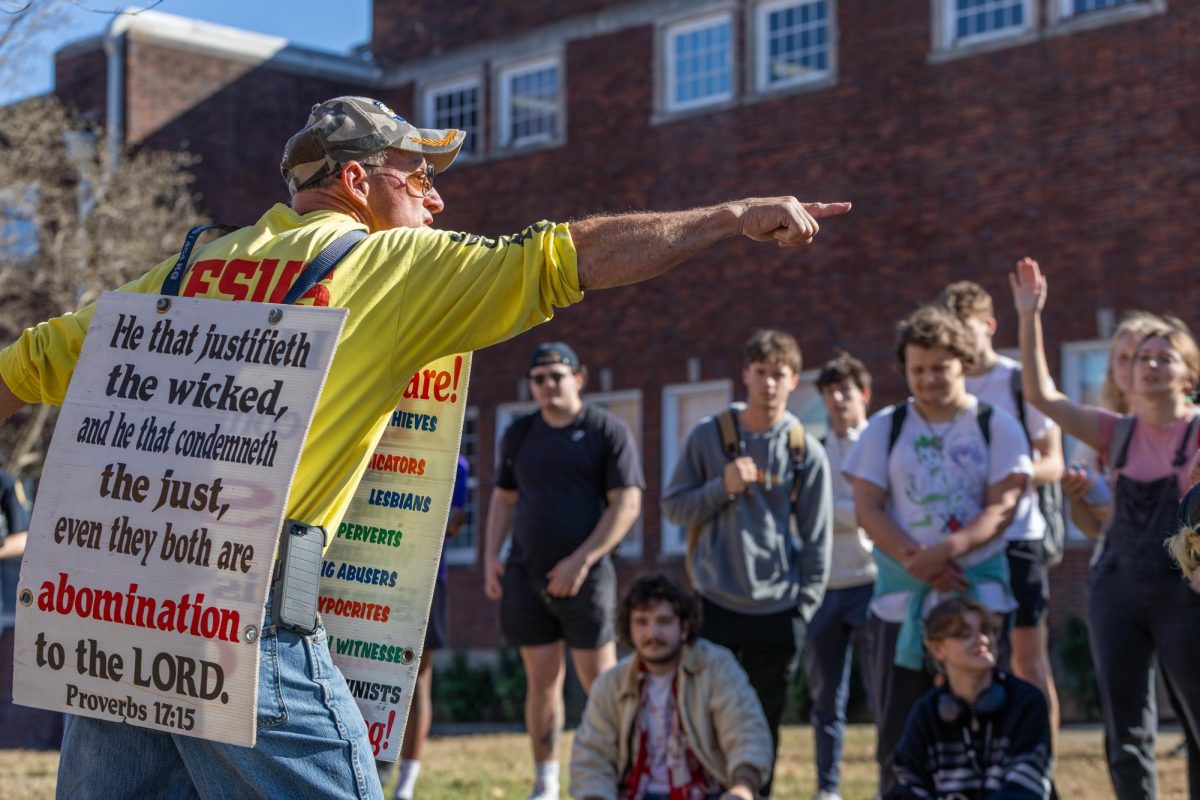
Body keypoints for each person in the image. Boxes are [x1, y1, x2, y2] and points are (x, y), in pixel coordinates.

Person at [0, 94, 851, 800]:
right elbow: (571, 256)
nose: (436, 201)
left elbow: (22, 370)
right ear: (357, 180)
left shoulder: (182, 272)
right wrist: (729, 216)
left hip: (114, 620)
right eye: (419, 178)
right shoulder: (384, 265)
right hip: (239, 614)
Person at [1011, 257, 1200, 800]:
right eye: (1142, 358)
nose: (1150, 365)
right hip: (1115, 590)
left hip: (1186, 595)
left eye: (1164, 357)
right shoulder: (1113, 433)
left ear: (1187, 374)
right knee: (1126, 733)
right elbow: (1043, 396)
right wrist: (1030, 316)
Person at [841, 304, 1030, 795]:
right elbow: (869, 508)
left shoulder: (996, 425)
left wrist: (945, 552)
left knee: (988, 725)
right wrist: (919, 562)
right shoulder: (886, 426)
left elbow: (1001, 507)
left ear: (963, 363)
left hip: (978, 599)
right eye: (917, 368)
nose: (927, 379)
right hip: (902, 602)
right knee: (900, 732)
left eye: (940, 368)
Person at [662, 329, 833, 796]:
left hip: (778, 609)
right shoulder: (709, 437)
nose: (769, 384)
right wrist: (723, 486)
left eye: (779, 375)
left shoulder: (805, 450)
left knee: (764, 720)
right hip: (715, 599)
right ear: (745, 375)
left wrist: (806, 606)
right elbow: (674, 508)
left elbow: (817, 538)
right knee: (704, 711)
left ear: (794, 380)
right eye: (761, 373)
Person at [484, 341, 645, 800]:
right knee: (542, 682)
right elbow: (504, 499)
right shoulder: (519, 434)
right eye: (539, 379)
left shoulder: (604, 430)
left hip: (587, 578)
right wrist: (491, 557)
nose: (548, 385)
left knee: (603, 685)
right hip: (526, 575)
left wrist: (582, 560)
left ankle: (615, 775)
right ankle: (546, 782)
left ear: (579, 378)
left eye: (557, 375)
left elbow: (627, 504)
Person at [940, 280, 1064, 753]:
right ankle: (977, 760)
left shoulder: (1017, 380)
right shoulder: (948, 389)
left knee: (1028, 663)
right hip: (967, 544)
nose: (958, 343)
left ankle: (1040, 766)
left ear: (989, 326)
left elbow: (1053, 460)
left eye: (965, 331)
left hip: (1019, 539)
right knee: (966, 659)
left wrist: (1009, 474)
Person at [569, 573, 773, 800]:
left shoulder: (716, 667)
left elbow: (745, 730)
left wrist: (742, 788)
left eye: (663, 621)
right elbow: (592, 756)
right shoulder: (611, 684)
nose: (652, 633)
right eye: (641, 622)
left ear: (684, 626)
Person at [887, 596, 1053, 800]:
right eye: (964, 634)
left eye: (986, 630)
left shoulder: (1027, 702)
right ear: (937, 649)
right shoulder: (926, 712)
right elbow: (907, 785)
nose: (982, 639)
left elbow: (1027, 784)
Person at [805, 352, 877, 800]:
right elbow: (803, 517)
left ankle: (896, 781)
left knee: (884, 691)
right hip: (825, 588)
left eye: (845, 391)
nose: (837, 400)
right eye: (829, 393)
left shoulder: (880, 442)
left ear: (863, 394)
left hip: (873, 582)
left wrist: (834, 512)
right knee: (824, 698)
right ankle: (828, 788)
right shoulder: (812, 449)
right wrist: (857, 513)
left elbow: (879, 512)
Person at [378, 454, 470, 800]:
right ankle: (376, 763)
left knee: (417, 676)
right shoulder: (382, 448)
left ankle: (407, 780)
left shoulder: (454, 462)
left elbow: (455, 520)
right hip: (375, 577)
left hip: (426, 580)